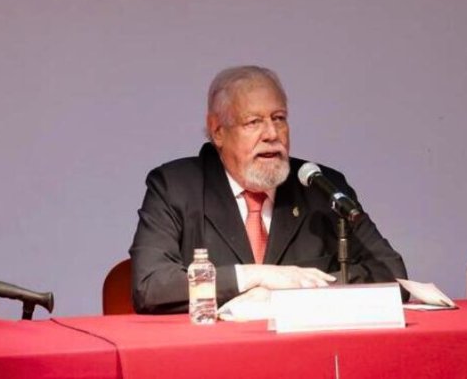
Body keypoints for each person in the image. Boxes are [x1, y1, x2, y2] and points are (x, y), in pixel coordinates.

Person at [130, 65, 407, 313]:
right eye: (254, 122)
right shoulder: (175, 187)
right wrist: (253, 276)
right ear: (218, 131)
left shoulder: (320, 186)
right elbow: (151, 285)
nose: (272, 134)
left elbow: (393, 273)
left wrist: (297, 288)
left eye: (279, 118)